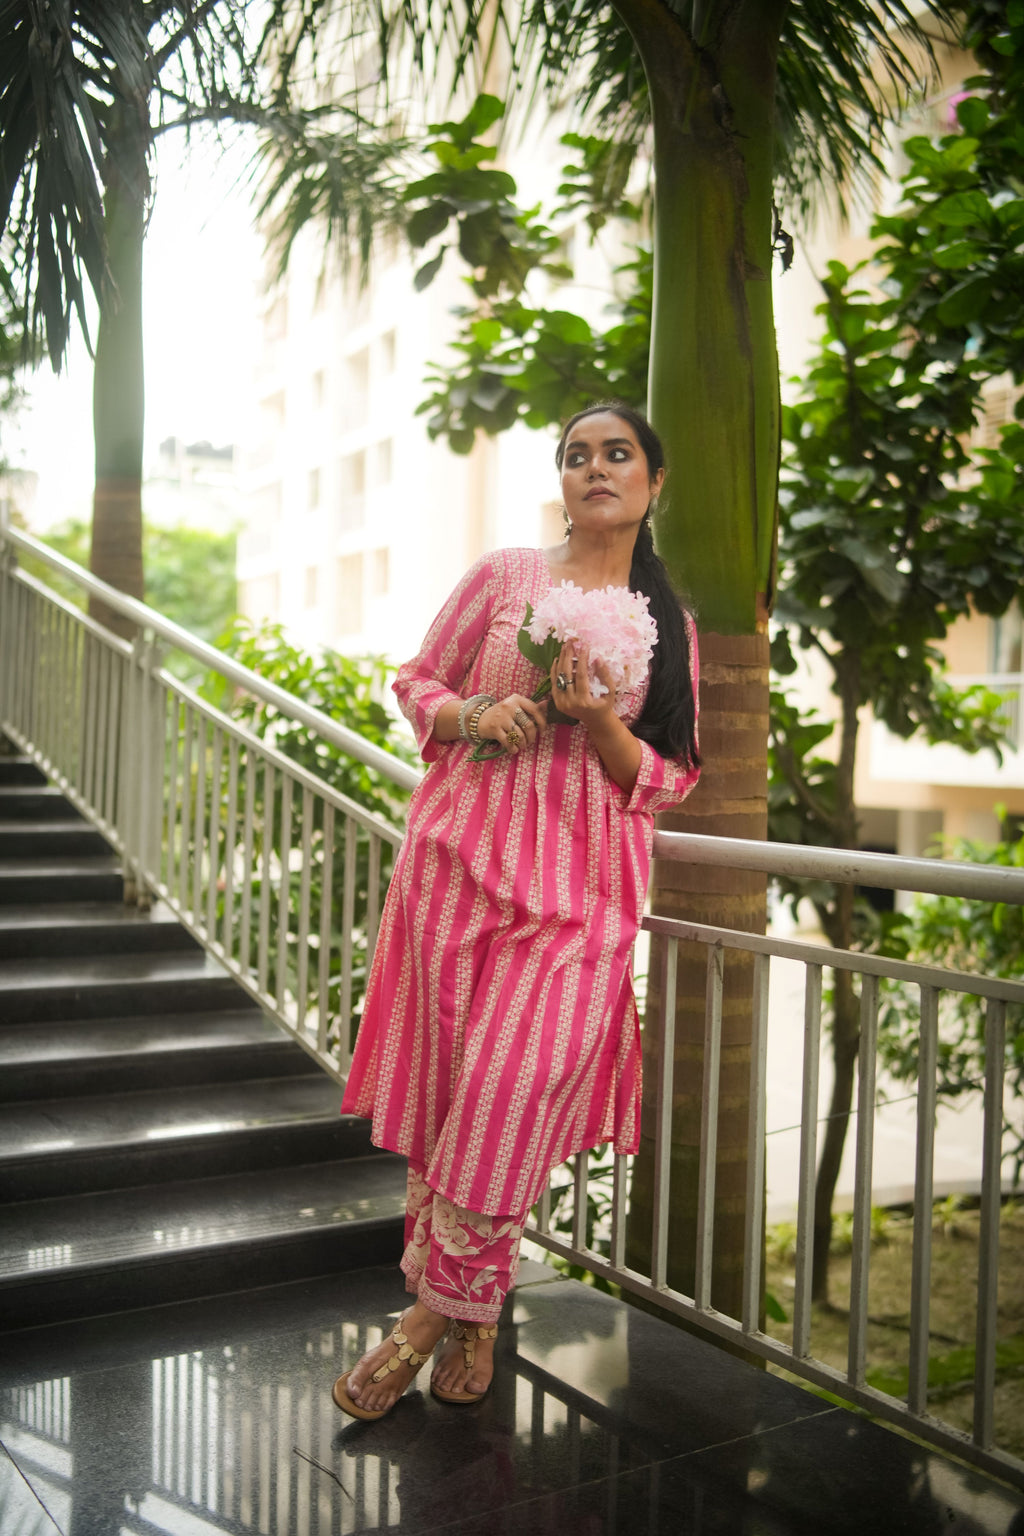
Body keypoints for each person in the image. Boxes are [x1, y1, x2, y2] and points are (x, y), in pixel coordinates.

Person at [334, 402, 701, 1420]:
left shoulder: (670, 626)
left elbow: (669, 778)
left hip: (581, 899)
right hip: (459, 872)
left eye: (617, 453)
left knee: (510, 1087)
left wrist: (595, 722)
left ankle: (420, 1323)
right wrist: (472, 714)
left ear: (651, 482)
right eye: (576, 455)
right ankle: (480, 1314)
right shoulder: (504, 576)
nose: (595, 468)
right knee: (463, 1098)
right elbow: (416, 681)